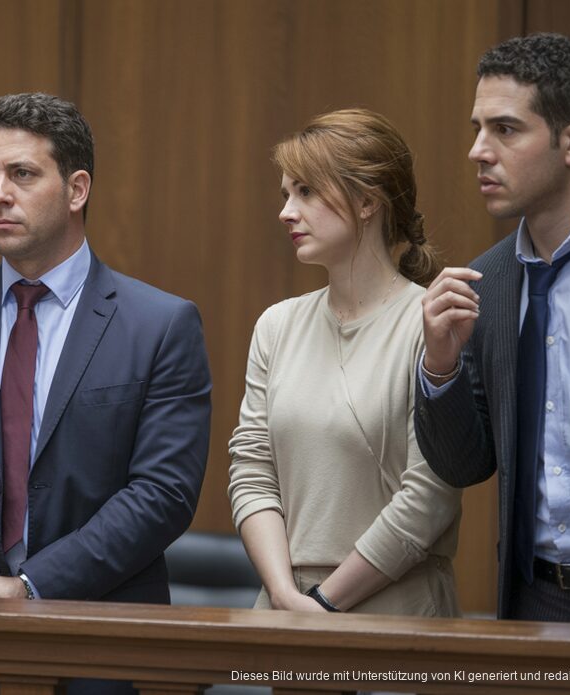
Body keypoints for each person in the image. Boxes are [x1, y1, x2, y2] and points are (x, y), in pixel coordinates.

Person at [0, 92, 211, 693]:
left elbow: (162, 492)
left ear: (77, 189)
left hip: (102, 649)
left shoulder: (160, 326)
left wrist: (32, 588)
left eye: (22, 174)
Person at [416, 33, 570, 625]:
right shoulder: (490, 279)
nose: (478, 151)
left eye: (505, 129)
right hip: (533, 598)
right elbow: (464, 465)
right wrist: (439, 367)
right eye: (477, 128)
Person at [228, 109, 461, 617]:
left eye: (306, 192)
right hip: (284, 609)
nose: (286, 212)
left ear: (367, 202)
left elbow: (430, 495)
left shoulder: (432, 324)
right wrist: (285, 595)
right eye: (286, 194)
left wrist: (325, 603)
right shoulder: (276, 326)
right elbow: (252, 470)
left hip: (398, 608)